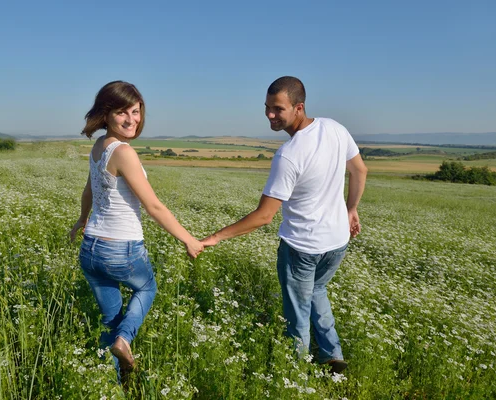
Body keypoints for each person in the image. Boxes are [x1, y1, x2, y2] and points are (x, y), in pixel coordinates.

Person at [201, 76, 367, 374]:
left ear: (298, 108)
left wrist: (216, 237)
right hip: (337, 241)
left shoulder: (289, 155)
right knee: (318, 290)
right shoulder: (335, 128)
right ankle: (332, 354)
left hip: (302, 247)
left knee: (297, 315)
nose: (270, 115)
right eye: (266, 108)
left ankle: (295, 373)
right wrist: (351, 209)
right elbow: (359, 170)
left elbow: (264, 216)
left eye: (277, 109)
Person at [70, 81, 204, 383]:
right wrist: (188, 239)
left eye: (136, 111)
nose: (132, 119)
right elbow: (154, 206)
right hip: (121, 248)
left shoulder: (99, 146)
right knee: (147, 288)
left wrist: (81, 221)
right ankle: (126, 340)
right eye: (122, 112)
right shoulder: (123, 151)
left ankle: (114, 384)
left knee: (110, 320)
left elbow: (89, 189)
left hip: (90, 249)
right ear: (105, 114)